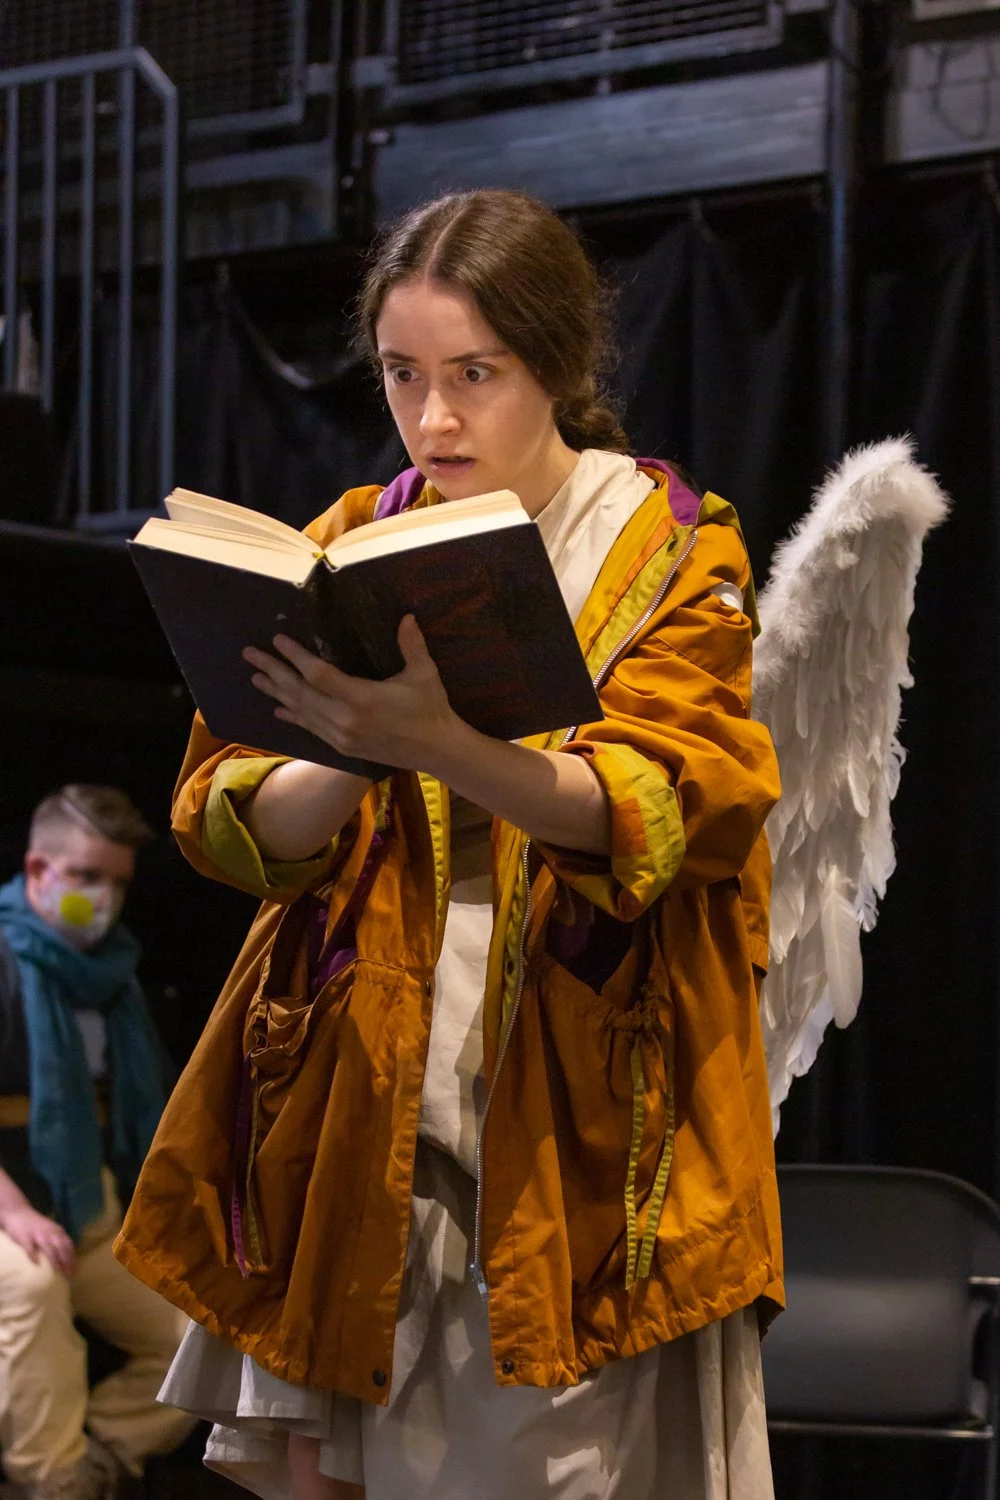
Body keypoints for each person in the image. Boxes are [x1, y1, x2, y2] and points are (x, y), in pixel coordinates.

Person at [114, 190, 784, 1499]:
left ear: (560, 363)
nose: (433, 419)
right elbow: (224, 814)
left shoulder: (671, 552)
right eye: (403, 374)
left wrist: (442, 743)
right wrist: (344, 744)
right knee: (343, 1460)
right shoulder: (353, 536)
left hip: (564, 1100)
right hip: (357, 1091)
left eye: (475, 374)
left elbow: (679, 802)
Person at [0, 786, 194, 1500]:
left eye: (116, 882)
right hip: (12, 1205)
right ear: (37, 870)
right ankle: (49, 1483)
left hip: (85, 1203)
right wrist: (15, 1213)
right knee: (31, 1284)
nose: (103, 898)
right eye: (85, 877)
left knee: (193, 1331)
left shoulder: (114, 976)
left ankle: (98, 1458)